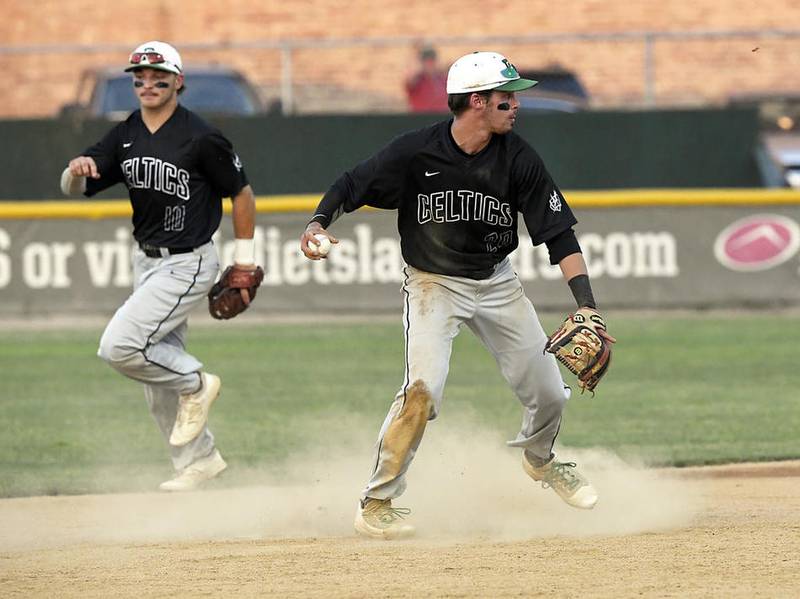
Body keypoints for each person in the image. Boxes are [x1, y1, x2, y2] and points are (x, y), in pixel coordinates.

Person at [300, 51, 615, 539]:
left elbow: (560, 235)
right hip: (433, 284)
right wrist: (317, 223)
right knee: (422, 391)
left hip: (496, 282)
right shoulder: (416, 152)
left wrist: (587, 305)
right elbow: (352, 183)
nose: (516, 104)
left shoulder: (519, 158)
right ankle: (377, 501)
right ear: (476, 101)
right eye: (506, 97)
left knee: (551, 391)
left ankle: (541, 460)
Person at [60, 41, 259, 492]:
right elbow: (75, 185)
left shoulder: (202, 136)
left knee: (120, 346)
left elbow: (241, 193)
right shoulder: (126, 132)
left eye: (159, 77)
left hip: (188, 261)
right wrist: (76, 170)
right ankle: (199, 460)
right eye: (140, 78)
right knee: (155, 387)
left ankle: (195, 382)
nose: (148, 84)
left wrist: (244, 260)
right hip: (145, 261)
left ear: (178, 82)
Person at [404, 45, 449, 113]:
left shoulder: (442, 79)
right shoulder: (418, 80)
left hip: (441, 118)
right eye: (427, 61)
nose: (430, 64)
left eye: (432, 61)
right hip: (421, 119)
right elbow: (409, 79)